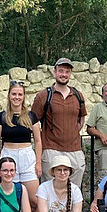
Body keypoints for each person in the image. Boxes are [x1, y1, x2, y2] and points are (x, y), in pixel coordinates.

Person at [31, 58, 87, 188]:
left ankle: (72, 209)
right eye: (61, 71)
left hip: (75, 149)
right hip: (51, 149)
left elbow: (81, 119)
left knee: (74, 188)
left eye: (67, 72)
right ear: (54, 72)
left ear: (70, 73)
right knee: (50, 189)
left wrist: (71, 132)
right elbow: (33, 121)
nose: (64, 74)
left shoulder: (78, 95)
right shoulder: (44, 95)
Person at [0, 81, 42, 212]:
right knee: (11, 197)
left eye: (20, 94)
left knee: (34, 200)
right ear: (9, 95)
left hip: (27, 156)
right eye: (14, 94)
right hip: (8, 155)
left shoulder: (31, 116)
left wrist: (38, 162)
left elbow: (38, 141)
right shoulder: (1, 117)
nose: (17, 97)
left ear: (24, 96)